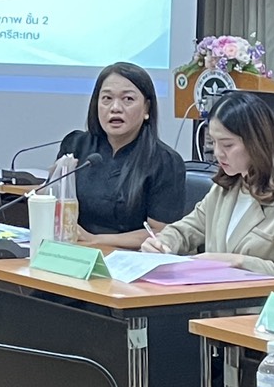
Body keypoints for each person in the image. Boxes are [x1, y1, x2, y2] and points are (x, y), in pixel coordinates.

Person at [142, 90, 274, 299]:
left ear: (256, 142)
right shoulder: (226, 189)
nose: (218, 153)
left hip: (258, 314)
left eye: (227, 145)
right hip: (214, 307)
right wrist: (164, 242)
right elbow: (187, 229)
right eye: (213, 142)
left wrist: (240, 263)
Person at [56, 62, 186, 248]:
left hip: (131, 257)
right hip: (75, 252)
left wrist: (96, 239)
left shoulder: (165, 161)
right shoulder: (76, 145)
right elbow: (55, 204)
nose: (115, 107)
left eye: (128, 99)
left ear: (147, 109)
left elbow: (161, 232)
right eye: (107, 98)